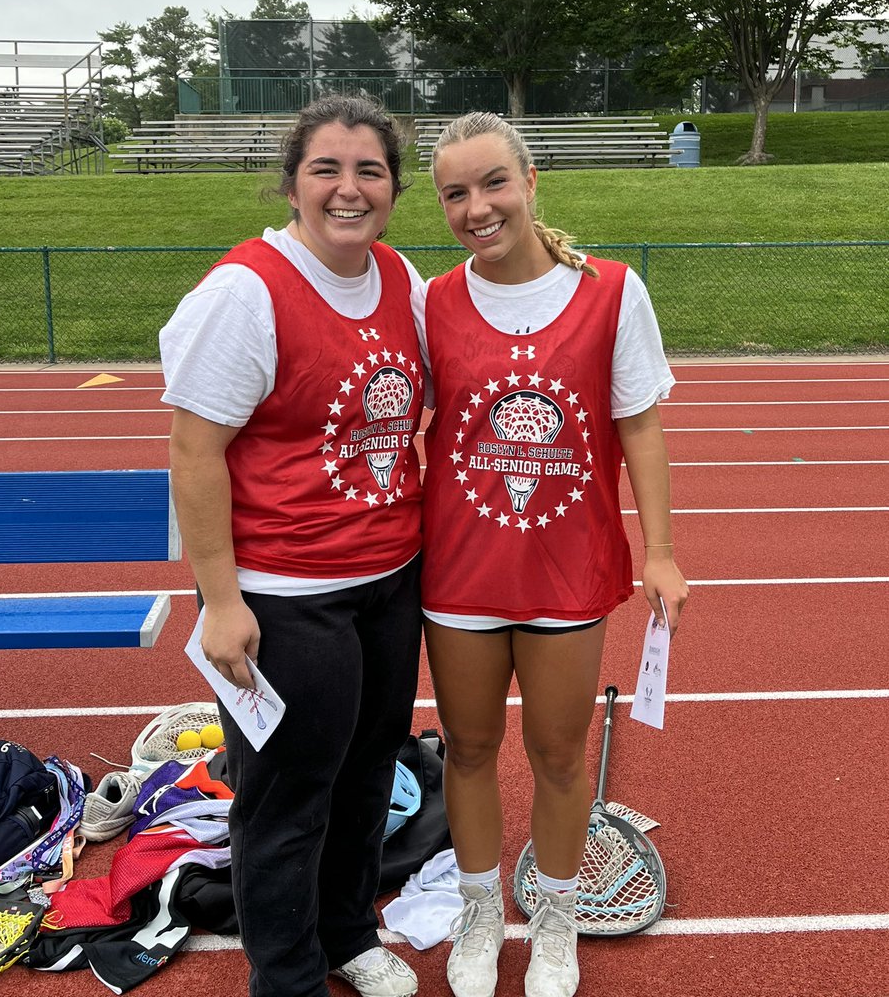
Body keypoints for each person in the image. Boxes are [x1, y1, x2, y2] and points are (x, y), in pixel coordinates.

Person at [412, 112, 689, 997]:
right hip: (461, 569)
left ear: (533, 182)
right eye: (455, 192)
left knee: (561, 754)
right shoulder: (431, 301)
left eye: (493, 182)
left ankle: (558, 919)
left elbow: (638, 426)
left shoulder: (614, 291)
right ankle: (483, 911)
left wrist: (664, 551)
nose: (476, 206)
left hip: (567, 568)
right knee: (467, 747)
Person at [160, 96, 425, 997]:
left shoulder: (399, 276)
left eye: (370, 171)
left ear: (393, 187)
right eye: (327, 169)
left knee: (367, 773)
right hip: (284, 591)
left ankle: (349, 931)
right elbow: (195, 451)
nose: (349, 190)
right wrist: (222, 602)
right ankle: (286, 976)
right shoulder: (248, 290)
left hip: (390, 580)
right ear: (292, 183)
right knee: (286, 799)